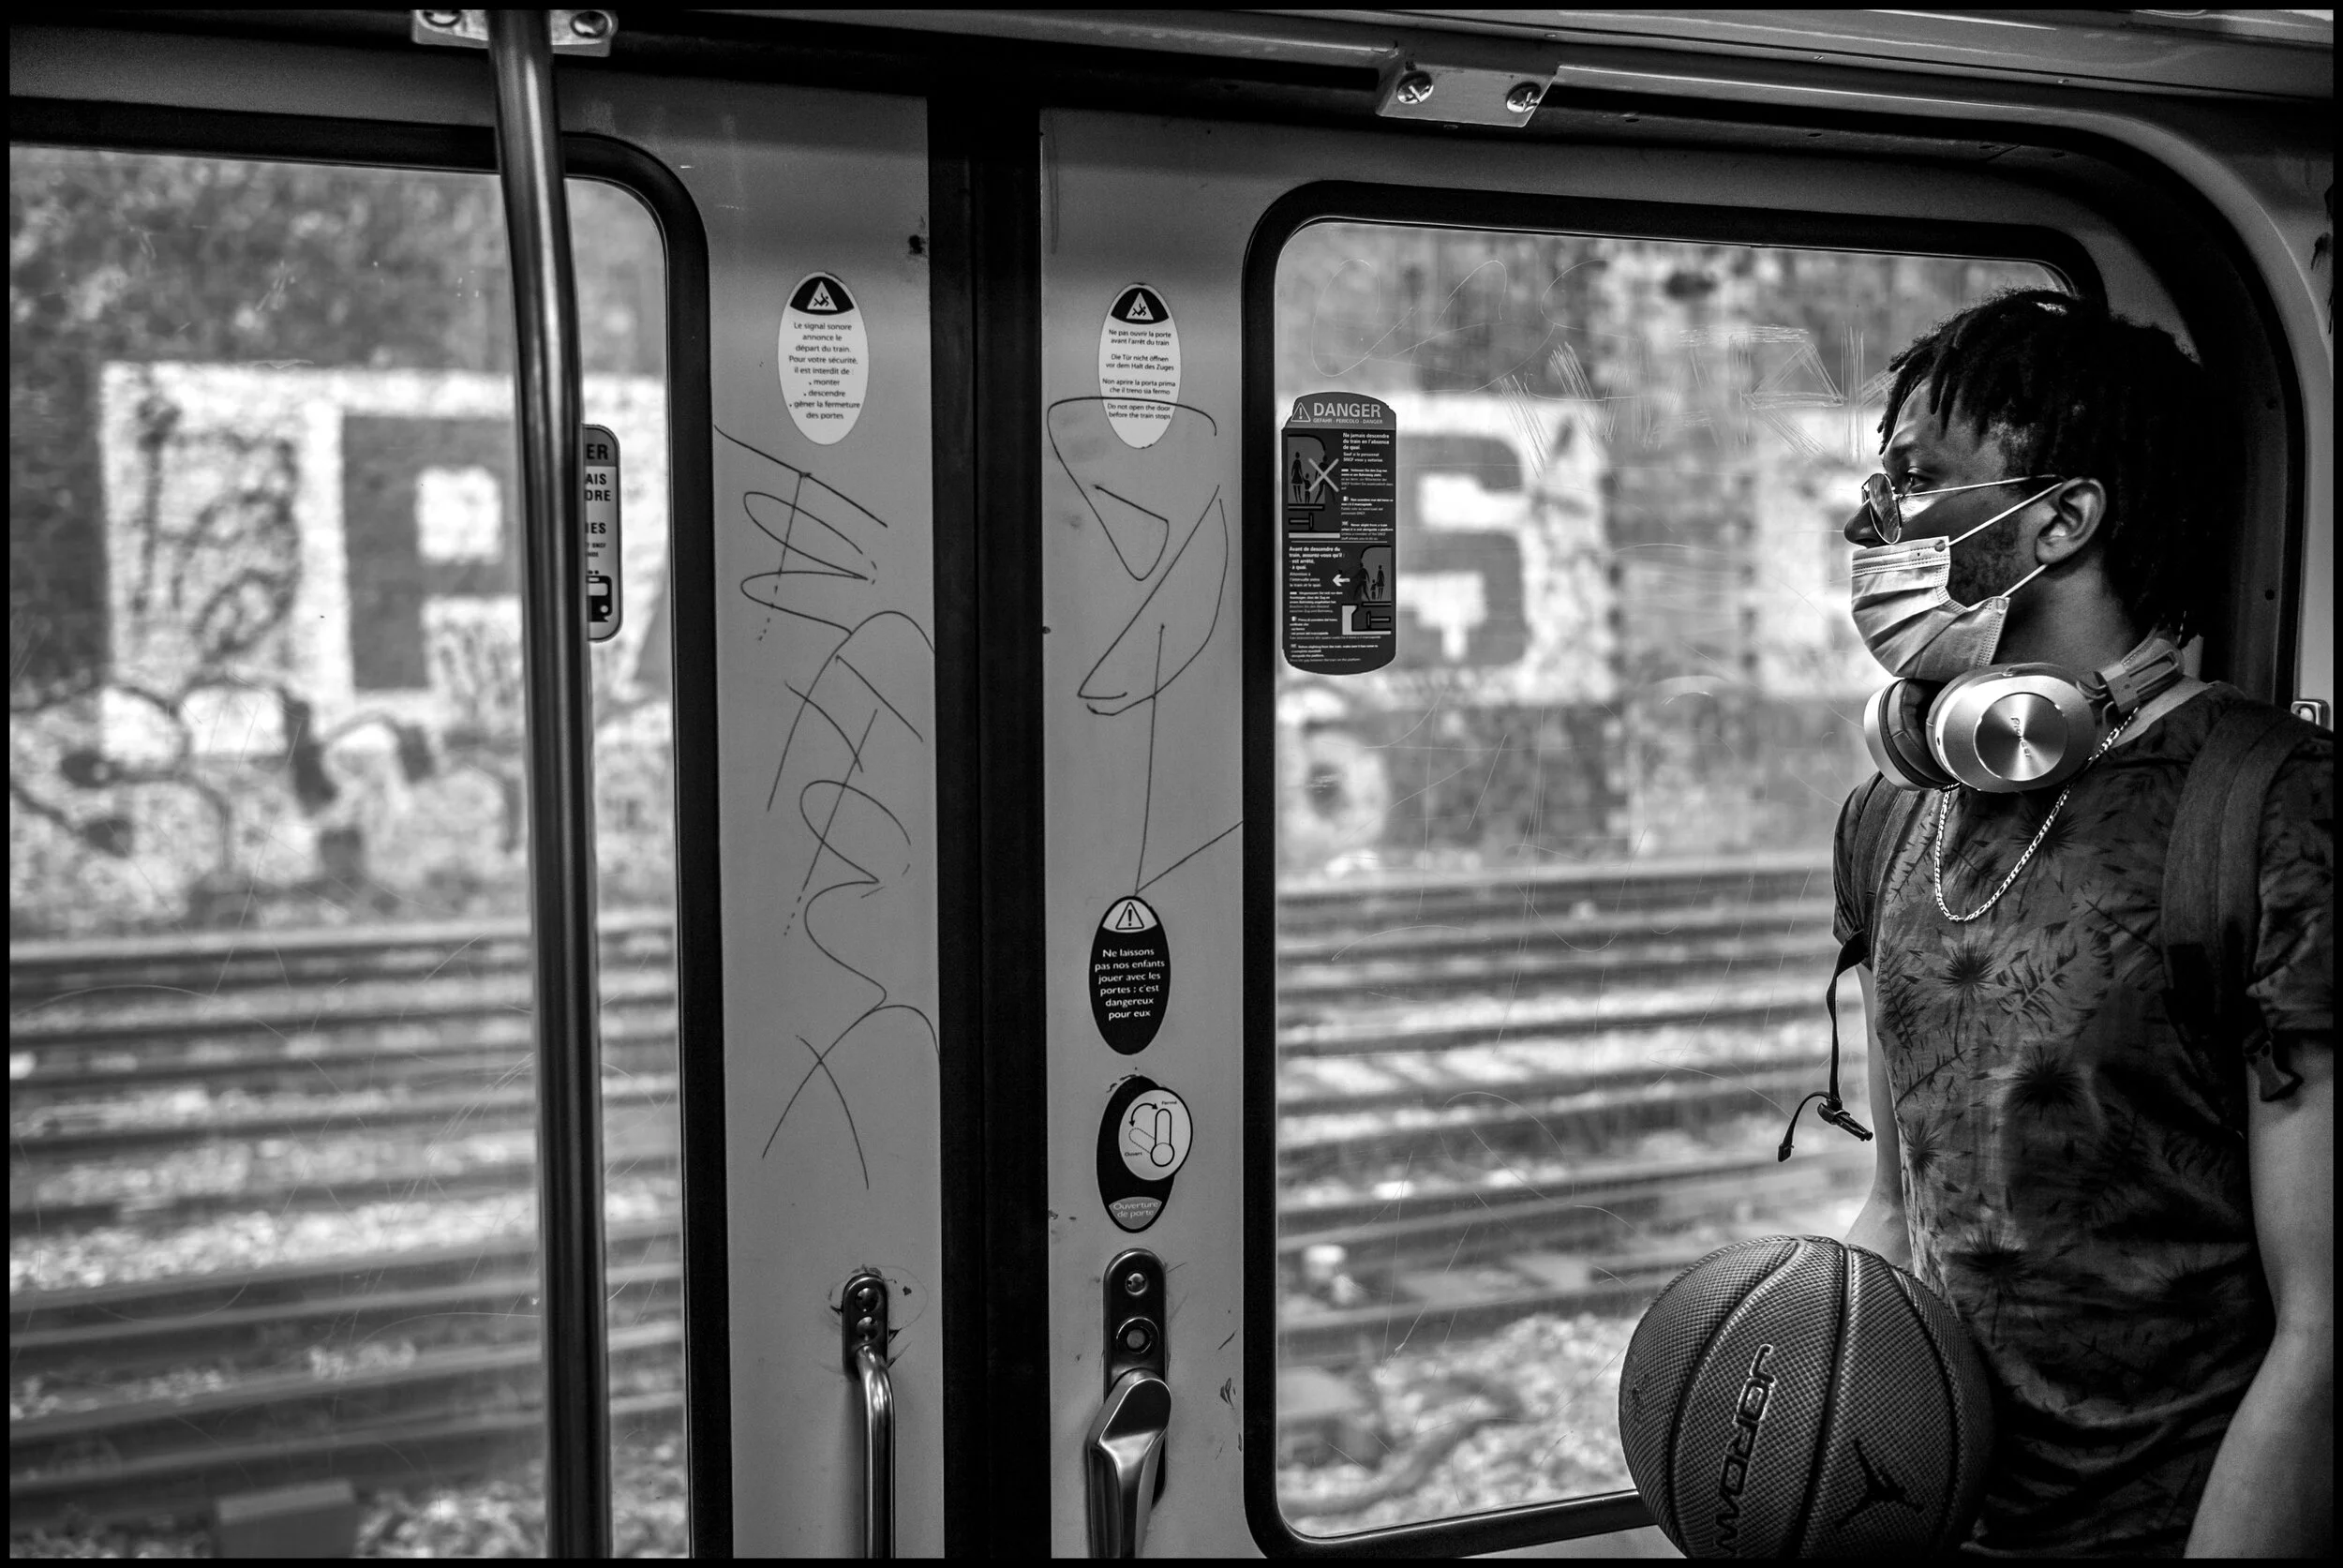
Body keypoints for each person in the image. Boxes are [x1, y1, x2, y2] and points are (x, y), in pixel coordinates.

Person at [1833, 291, 2333, 1557]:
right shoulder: (1895, 823)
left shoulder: (2274, 811)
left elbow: (2326, 1327)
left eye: (1913, 480)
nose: (1867, 522)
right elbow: (1899, 1212)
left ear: (2058, 518)